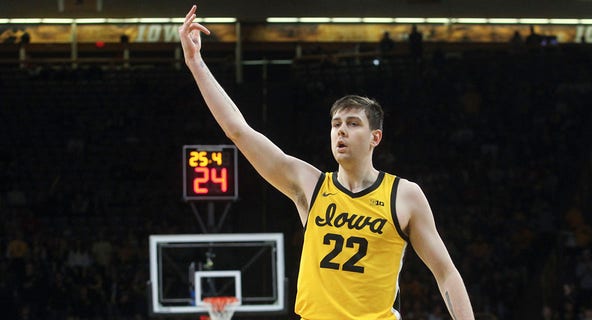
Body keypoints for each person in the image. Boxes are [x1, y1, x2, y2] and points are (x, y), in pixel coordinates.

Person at [179, 5, 474, 320]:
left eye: (352, 123)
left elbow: (446, 272)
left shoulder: (403, 195)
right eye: (335, 124)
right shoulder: (310, 185)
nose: (341, 131)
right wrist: (196, 63)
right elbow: (238, 131)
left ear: (376, 137)